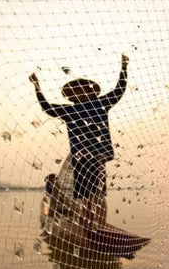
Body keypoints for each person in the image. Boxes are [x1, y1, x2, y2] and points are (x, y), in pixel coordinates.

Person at [30, 54, 129, 228]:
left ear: (91, 92)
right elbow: (46, 107)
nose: (80, 93)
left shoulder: (101, 103)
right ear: (72, 97)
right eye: (76, 91)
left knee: (97, 194)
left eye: (83, 89)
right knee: (84, 195)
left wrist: (124, 68)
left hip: (97, 155)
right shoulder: (70, 111)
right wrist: (37, 86)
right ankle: (88, 225)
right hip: (80, 158)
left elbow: (119, 90)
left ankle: (99, 224)